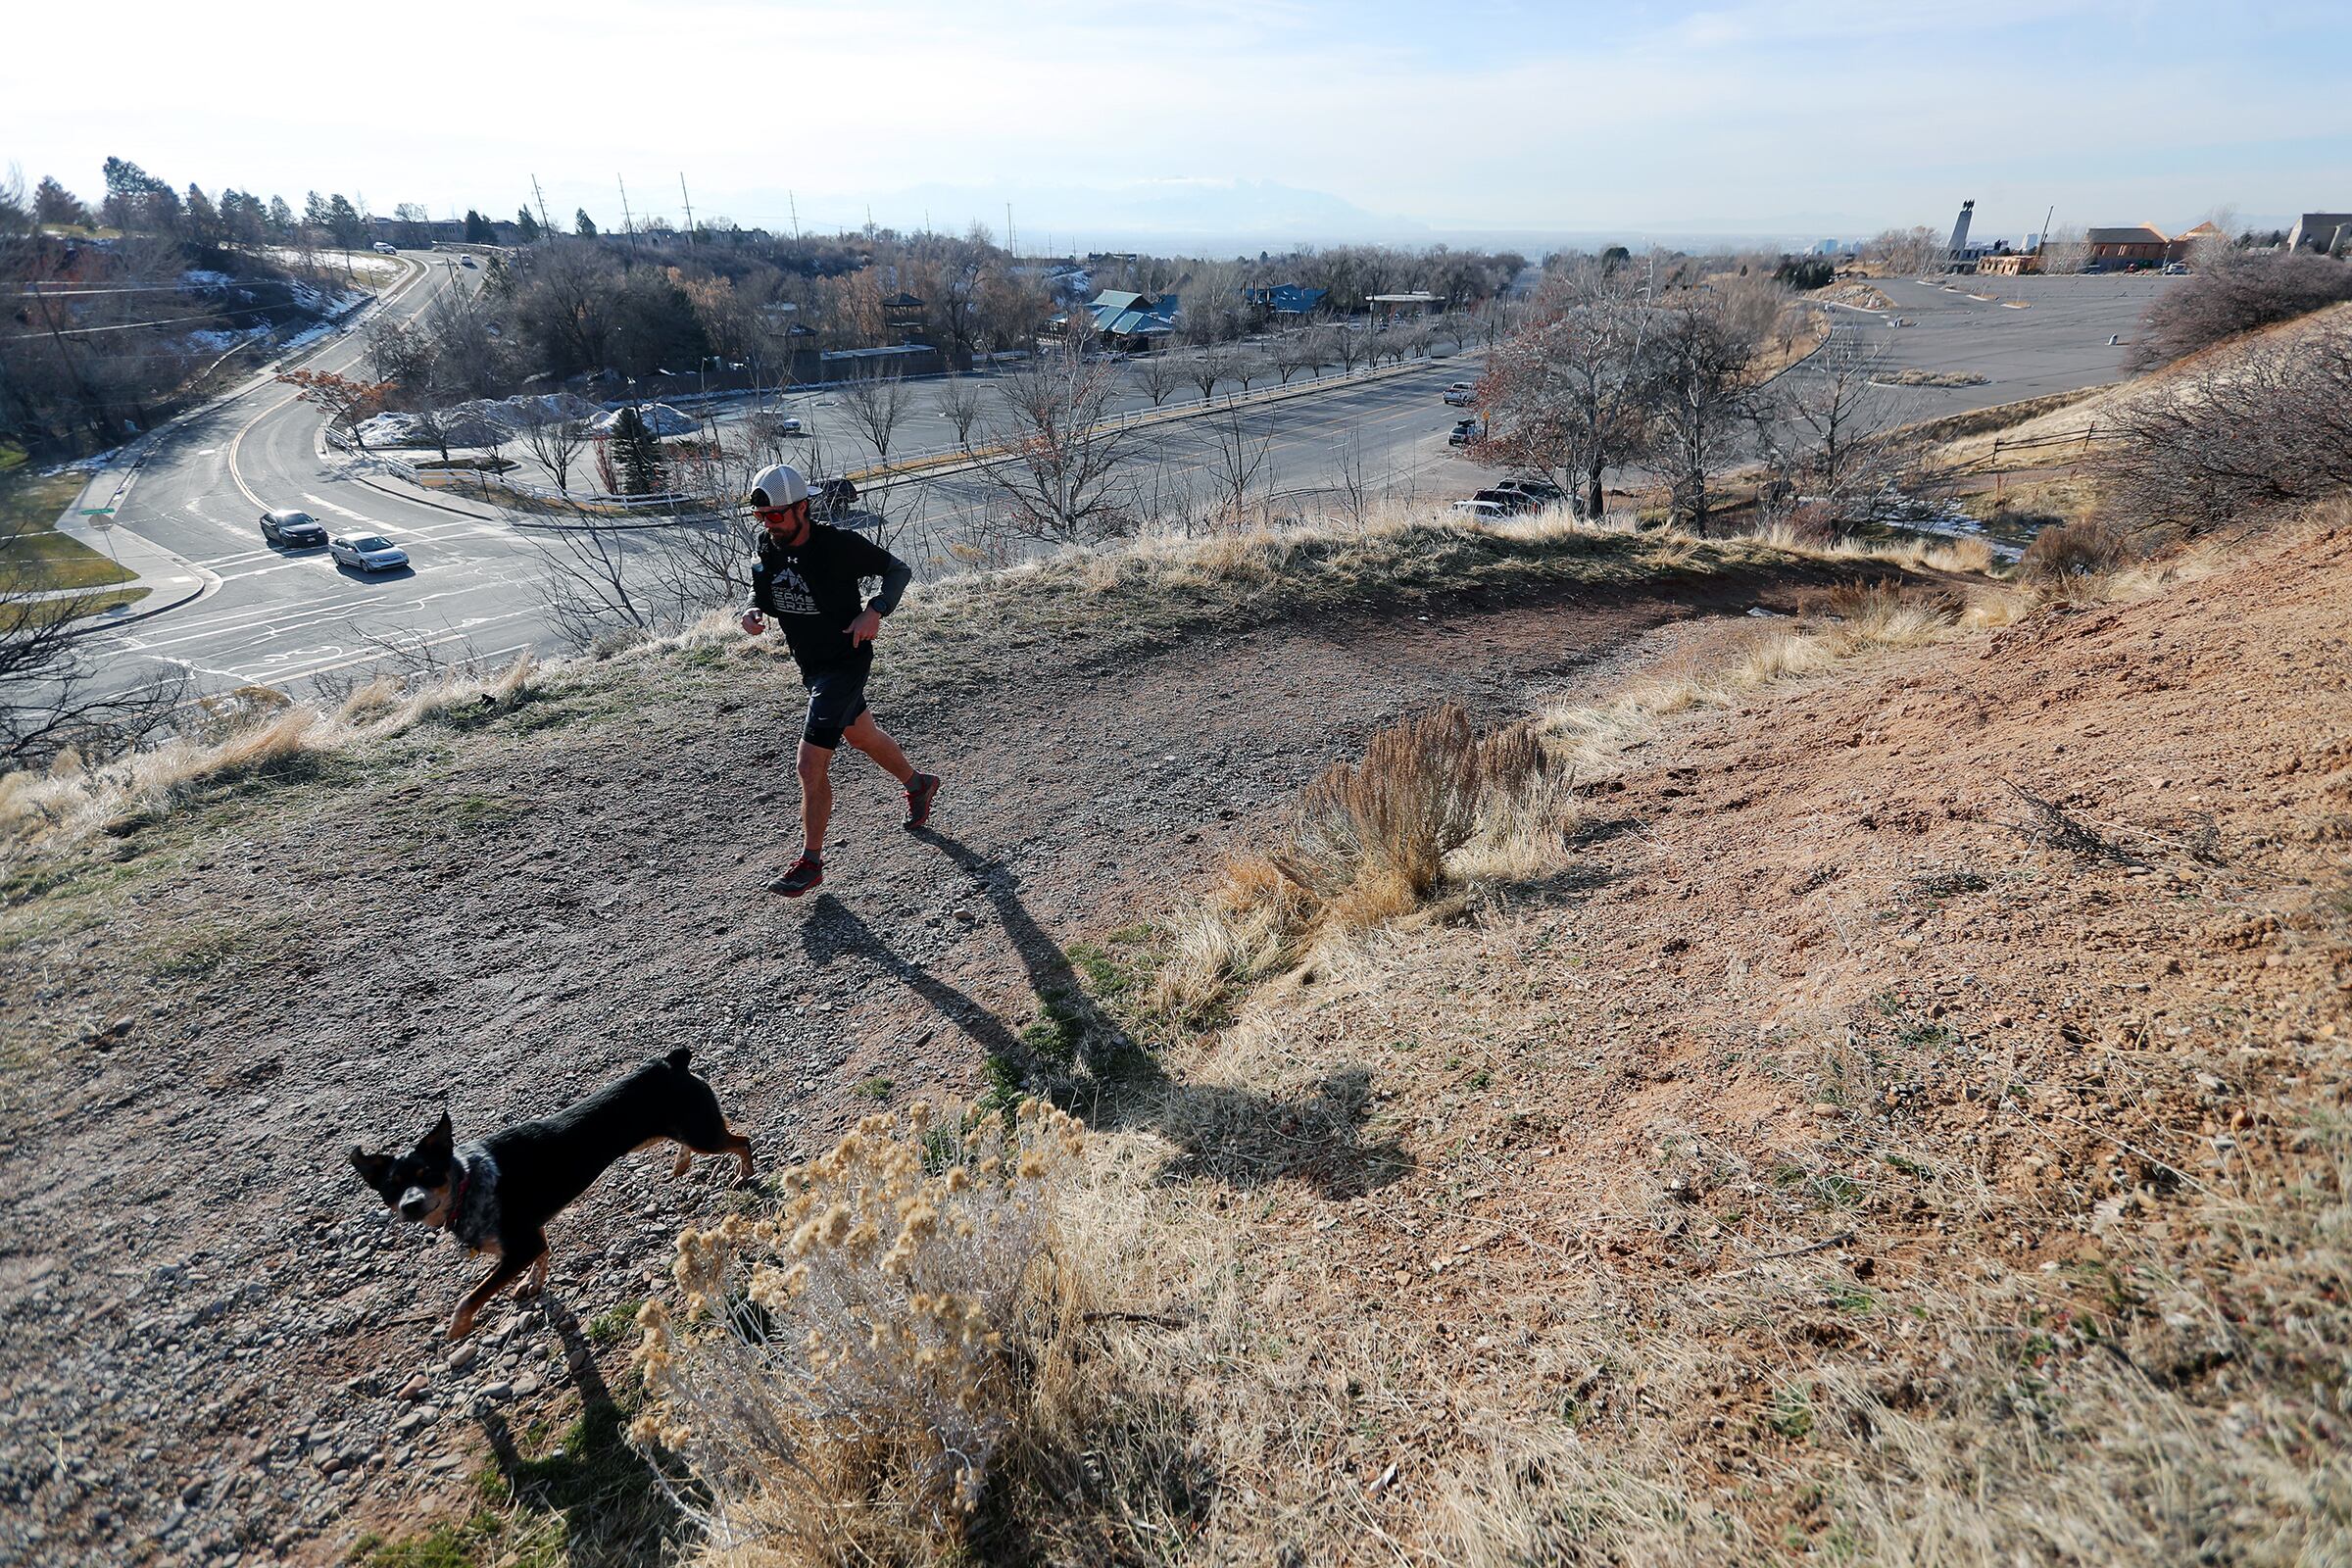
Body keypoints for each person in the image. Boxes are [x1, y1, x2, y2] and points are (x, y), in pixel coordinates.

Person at [737, 463, 939, 897]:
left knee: (809, 764)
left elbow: (898, 570)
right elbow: (766, 590)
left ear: (802, 508)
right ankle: (919, 784)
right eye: (761, 516)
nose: (769, 524)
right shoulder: (767, 547)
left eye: (776, 515)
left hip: (844, 662)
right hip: (811, 667)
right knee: (861, 734)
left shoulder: (840, 546)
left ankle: (810, 862)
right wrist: (752, 610)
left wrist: (875, 610)